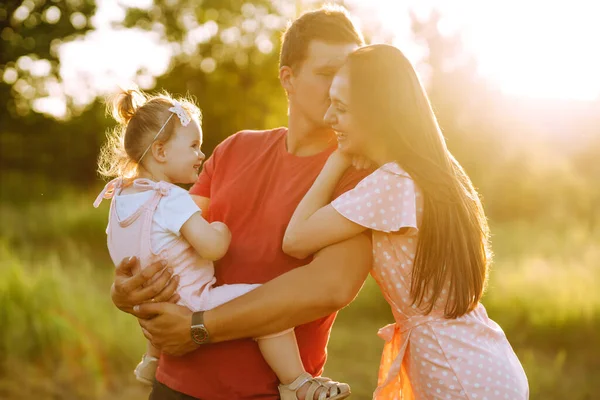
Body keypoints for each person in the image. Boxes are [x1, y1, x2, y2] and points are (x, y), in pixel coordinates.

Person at [108, 6, 373, 400]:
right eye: (326, 72)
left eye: (349, 75)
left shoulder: (358, 171)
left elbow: (330, 287)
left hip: (265, 394)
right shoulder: (235, 148)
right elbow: (169, 237)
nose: (340, 87)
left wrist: (198, 327)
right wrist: (128, 290)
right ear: (288, 78)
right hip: (174, 385)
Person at [283, 44, 530, 400]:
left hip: (458, 376)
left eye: (341, 108)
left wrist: (337, 159)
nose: (328, 118)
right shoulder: (436, 170)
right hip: (484, 360)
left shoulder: (393, 183)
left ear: (378, 114)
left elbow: (296, 238)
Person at [94, 89, 351, 399]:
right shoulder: (171, 198)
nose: (200, 155)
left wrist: (129, 292)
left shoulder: (122, 195)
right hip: (192, 300)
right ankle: (296, 382)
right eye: (193, 146)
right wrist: (220, 229)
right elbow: (212, 247)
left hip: (156, 304)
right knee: (265, 307)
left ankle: (150, 360)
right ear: (161, 152)